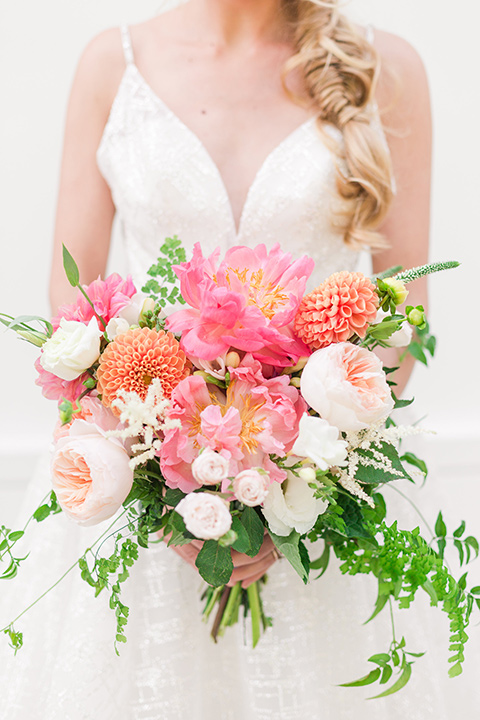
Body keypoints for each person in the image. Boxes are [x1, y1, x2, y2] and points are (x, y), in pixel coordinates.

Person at [3, 1, 463, 718]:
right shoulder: (111, 65)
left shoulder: (386, 68)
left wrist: (300, 489)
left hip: (321, 501)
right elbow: (73, 310)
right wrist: (157, 482)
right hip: (142, 497)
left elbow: (403, 318)